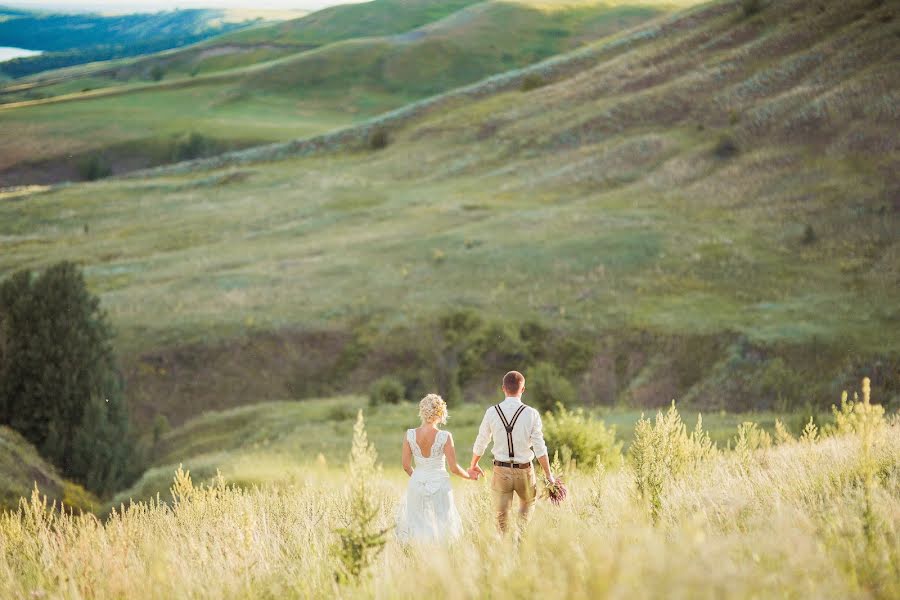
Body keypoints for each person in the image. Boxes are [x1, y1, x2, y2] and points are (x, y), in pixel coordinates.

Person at [468, 370, 554, 534]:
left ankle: (506, 548)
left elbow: (481, 441)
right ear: (522, 389)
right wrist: (549, 475)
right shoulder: (531, 413)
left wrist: (474, 464)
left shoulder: (492, 412)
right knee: (526, 509)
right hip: (525, 471)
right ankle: (520, 540)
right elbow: (539, 447)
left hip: (501, 471)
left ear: (503, 389)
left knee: (502, 519)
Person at [396, 393, 473, 543]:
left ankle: (418, 557)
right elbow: (454, 468)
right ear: (441, 413)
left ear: (422, 411)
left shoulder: (410, 434)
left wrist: (418, 477)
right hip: (440, 484)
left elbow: (406, 465)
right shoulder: (445, 436)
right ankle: (441, 559)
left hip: (417, 482)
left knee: (418, 522)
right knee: (442, 522)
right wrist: (469, 475)